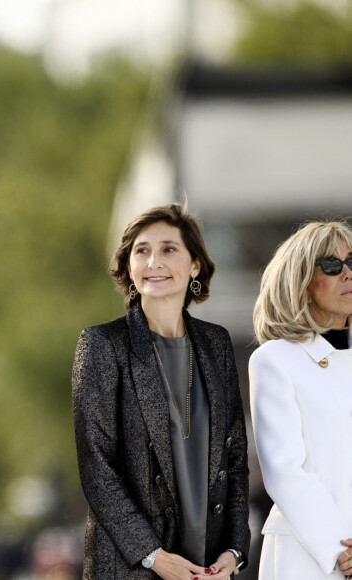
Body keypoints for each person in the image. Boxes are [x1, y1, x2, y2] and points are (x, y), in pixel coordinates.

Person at [72, 204, 250, 579]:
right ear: (129, 267)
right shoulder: (103, 344)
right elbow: (97, 468)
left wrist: (235, 550)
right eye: (142, 250)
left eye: (169, 249)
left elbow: (234, 459)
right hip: (132, 567)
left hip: (208, 566)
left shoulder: (216, 344)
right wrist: (154, 556)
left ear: (195, 265)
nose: (154, 261)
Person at [250, 220, 352, 579]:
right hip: (309, 556)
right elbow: (285, 469)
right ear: (301, 283)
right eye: (331, 265)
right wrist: (340, 548)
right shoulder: (275, 359)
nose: (347, 273)